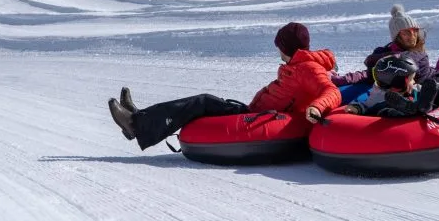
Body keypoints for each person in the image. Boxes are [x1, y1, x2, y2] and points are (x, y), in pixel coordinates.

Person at [108, 22, 341, 150]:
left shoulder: (309, 68)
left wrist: (317, 107)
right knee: (206, 103)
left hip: (264, 118)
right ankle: (139, 116)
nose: (277, 50)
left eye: (279, 45)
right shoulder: (298, 64)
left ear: (287, 47)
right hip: (258, 113)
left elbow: (331, 91)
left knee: (202, 101)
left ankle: (136, 125)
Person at [342, 56, 439, 117]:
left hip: (419, 111)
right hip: (392, 120)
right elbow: (364, 106)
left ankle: (422, 108)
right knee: (386, 111)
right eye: (411, 78)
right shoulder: (377, 96)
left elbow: (430, 87)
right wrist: (355, 108)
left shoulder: (413, 88)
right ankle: (409, 110)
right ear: (400, 81)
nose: (414, 81)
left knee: (429, 93)